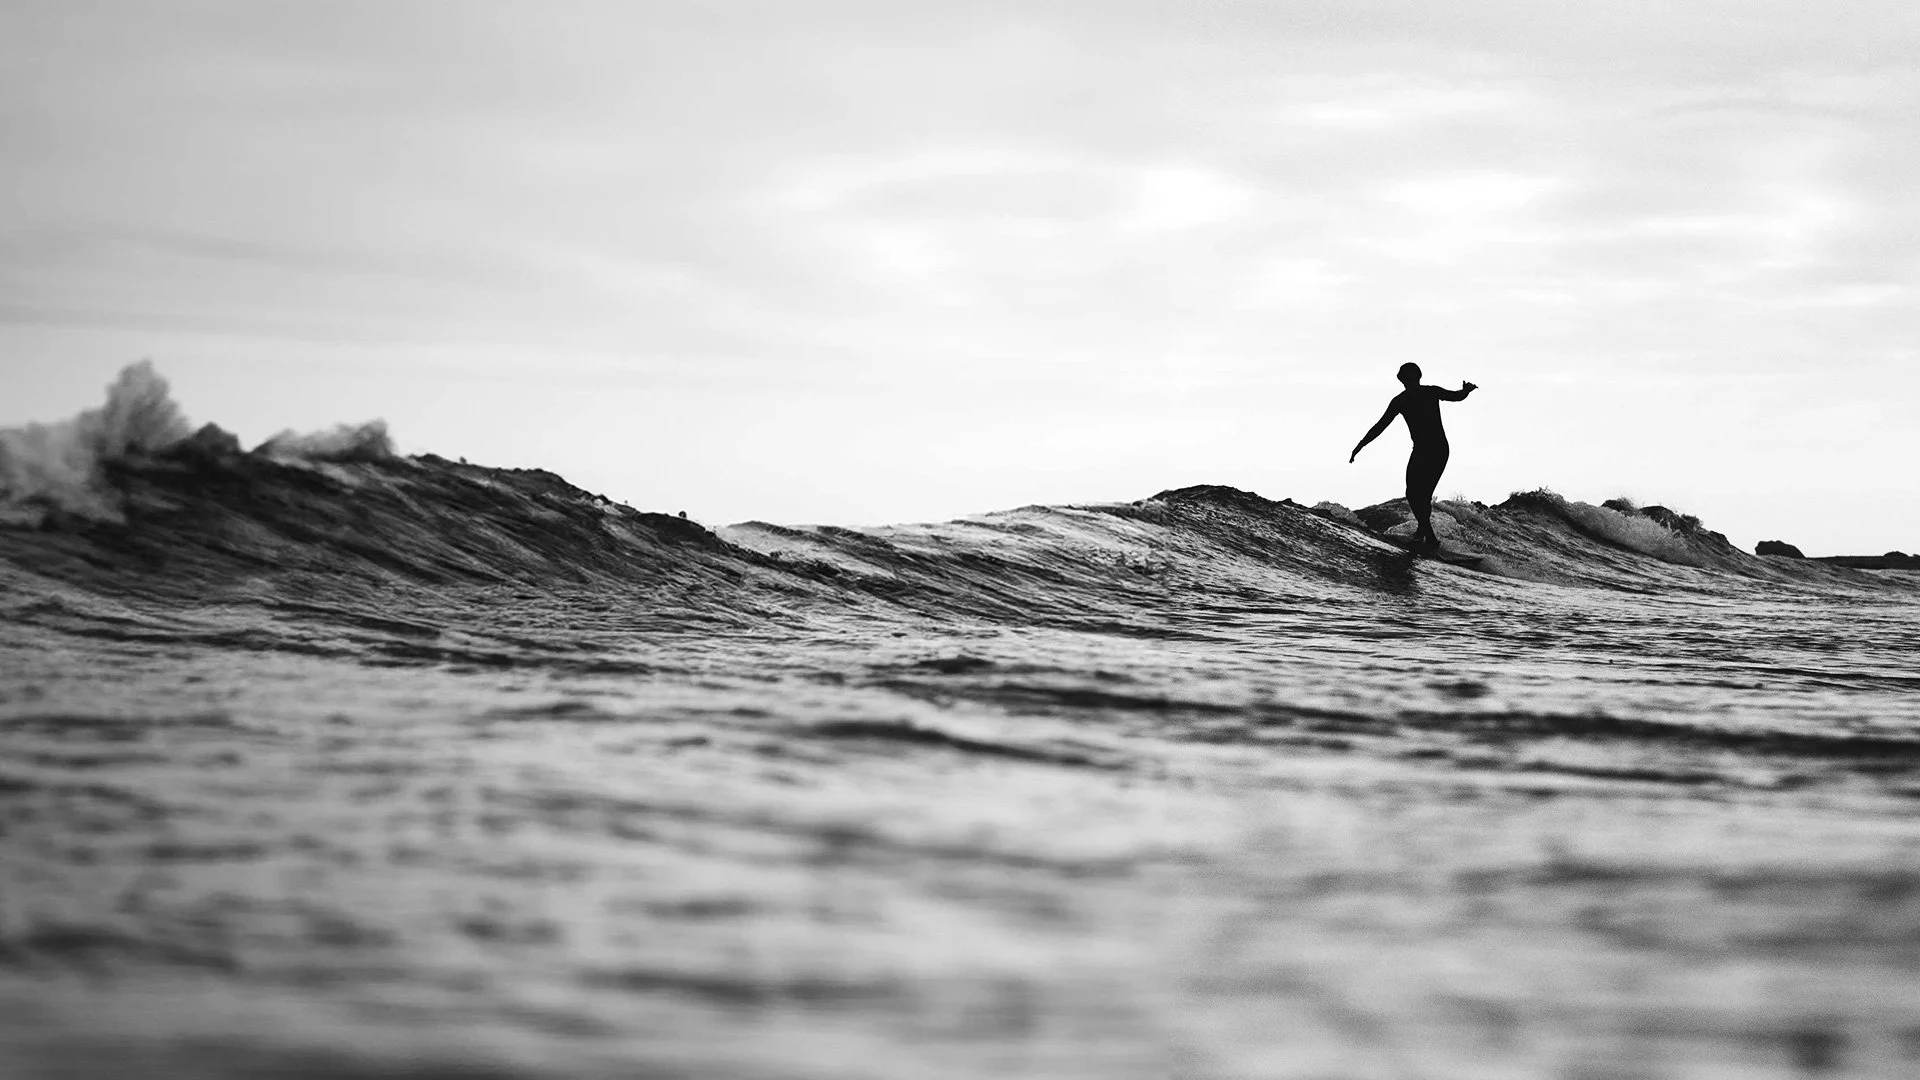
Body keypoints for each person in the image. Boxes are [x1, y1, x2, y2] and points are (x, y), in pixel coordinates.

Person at [1349, 363, 1477, 547]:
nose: (1406, 379)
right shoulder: (1404, 399)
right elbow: (1380, 426)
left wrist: (1465, 391)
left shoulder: (1422, 394)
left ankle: (1430, 538)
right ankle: (1421, 532)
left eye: (1408, 376)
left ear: (1413, 377)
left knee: (1418, 494)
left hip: (1437, 449)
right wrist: (1361, 445)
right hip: (1424, 450)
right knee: (1417, 495)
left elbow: (1456, 396)